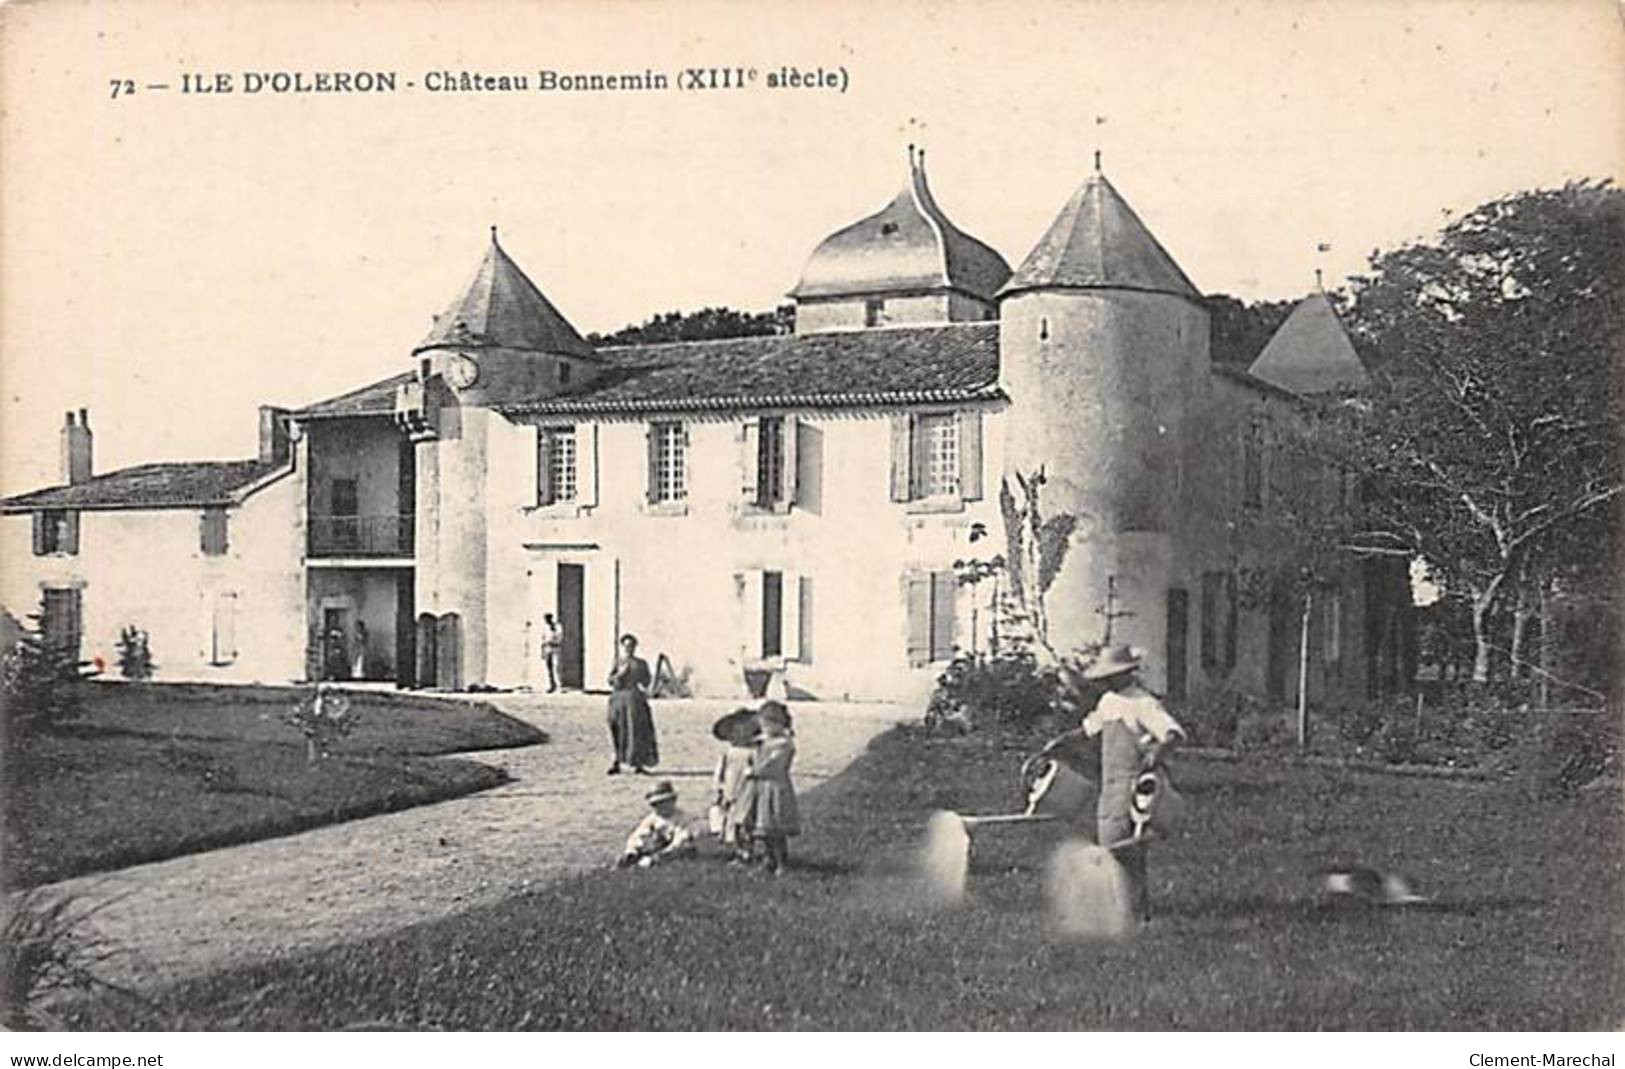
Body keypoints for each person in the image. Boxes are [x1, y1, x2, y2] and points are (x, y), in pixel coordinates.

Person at [1040, 644, 1185, 923]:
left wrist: (1157, 752)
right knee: (1111, 843)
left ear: (1127, 674)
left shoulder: (1144, 702)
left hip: (1134, 784)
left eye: (1113, 676)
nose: (1108, 681)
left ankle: (1136, 911)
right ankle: (1123, 906)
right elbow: (1088, 729)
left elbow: (1173, 734)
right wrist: (1062, 742)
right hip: (1110, 784)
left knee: (1126, 847)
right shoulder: (1109, 702)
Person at [742, 700, 799, 875]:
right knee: (763, 827)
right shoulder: (764, 742)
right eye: (763, 724)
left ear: (780, 724)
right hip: (761, 788)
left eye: (768, 724)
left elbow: (774, 765)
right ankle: (768, 859)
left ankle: (781, 862)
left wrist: (755, 771)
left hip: (775, 787)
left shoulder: (783, 744)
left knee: (775, 827)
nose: (765, 728)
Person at [710, 707, 759, 863]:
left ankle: (747, 851)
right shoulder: (728, 753)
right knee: (732, 823)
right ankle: (739, 850)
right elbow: (720, 772)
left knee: (746, 822)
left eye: (746, 730)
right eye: (735, 731)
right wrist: (719, 789)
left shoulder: (754, 752)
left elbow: (758, 769)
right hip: (731, 791)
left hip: (748, 791)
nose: (740, 734)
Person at [605, 633, 658, 775]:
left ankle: (637, 763)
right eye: (626, 646)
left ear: (635, 647)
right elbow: (610, 681)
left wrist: (651, 683)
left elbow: (646, 682)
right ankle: (616, 761)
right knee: (617, 730)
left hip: (634, 700)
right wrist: (619, 675)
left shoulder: (640, 664)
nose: (629, 648)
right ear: (622, 647)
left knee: (636, 731)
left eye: (631, 646)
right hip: (617, 699)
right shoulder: (618, 662)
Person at [614, 780, 696, 869]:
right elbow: (639, 835)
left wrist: (661, 855)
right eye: (656, 804)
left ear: (673, 800)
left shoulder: (683, 818)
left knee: (684, 850)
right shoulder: (653, 818)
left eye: (664, 802)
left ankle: (653, 861)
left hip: (677, 851)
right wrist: (632, 850)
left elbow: (680, 841)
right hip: (657, 849)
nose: (661, 807)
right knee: (635, 856)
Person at [539, 613, 563, 693]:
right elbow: (543, 639)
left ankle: (558, 685)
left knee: (555, 666)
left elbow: (559, 637)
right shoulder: (545, 628)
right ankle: (551, 685)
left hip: (555, 647)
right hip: (547, 647)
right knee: (548, 668)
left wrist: (554, 639)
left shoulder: (557, 627)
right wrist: (543, 651)